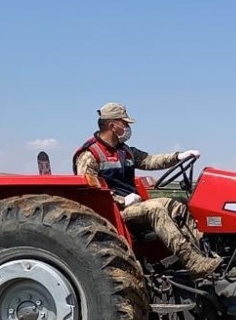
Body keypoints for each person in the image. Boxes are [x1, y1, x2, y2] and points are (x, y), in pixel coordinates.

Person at [72, 102, 222, 279]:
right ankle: (194, 264)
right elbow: (89, 193)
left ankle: (205, 254)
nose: (127, 128)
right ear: (112, 125)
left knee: (177, 204)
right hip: (113, 212)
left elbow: (150, 160)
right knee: (154, 208)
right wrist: (121, 200)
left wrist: (178, 156)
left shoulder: (125, 151)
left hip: (134, 206)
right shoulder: (90, 154)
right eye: (124, 123)